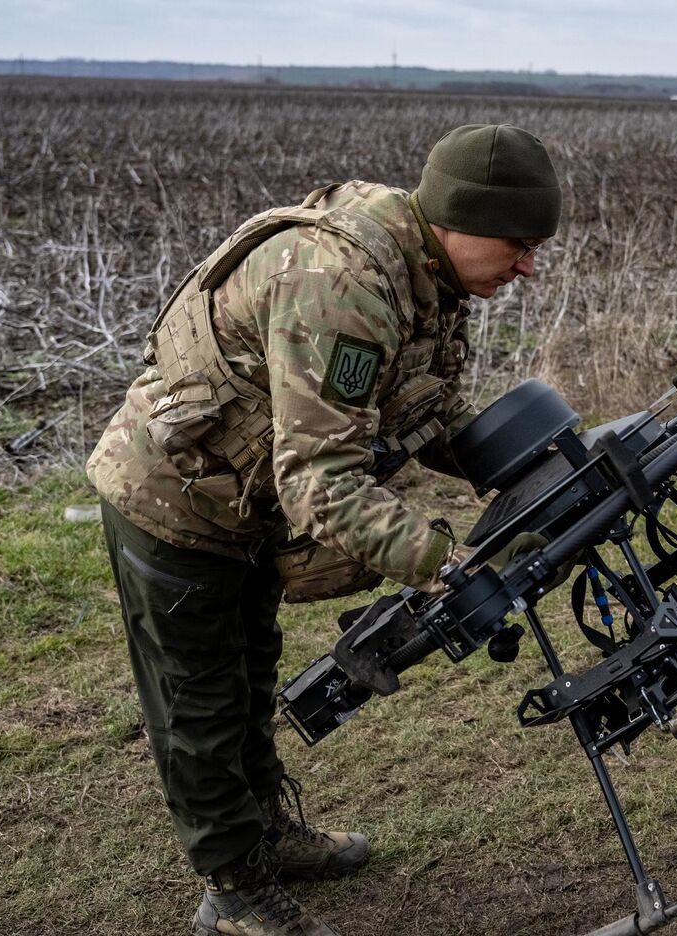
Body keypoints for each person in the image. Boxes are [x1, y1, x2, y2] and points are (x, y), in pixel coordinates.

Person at [86, 124, 562, 936]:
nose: (527, 266)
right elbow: (319, 485)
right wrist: (443, 566)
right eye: (517, 244)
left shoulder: (427, 272)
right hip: (175, 502)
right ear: (457, 218)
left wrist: (529, 462)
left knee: (250, 676)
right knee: (200, 704)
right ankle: (233, 892)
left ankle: (266, 834)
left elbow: (426, 405)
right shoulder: (343, 283)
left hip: (245, 500)